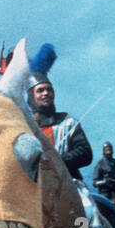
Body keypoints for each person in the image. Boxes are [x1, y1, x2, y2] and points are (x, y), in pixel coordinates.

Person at [27, 47, 93, 180]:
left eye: (49, 90)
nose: (46, 93)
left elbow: (85, 153)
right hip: (32, 186)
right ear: (31, 96)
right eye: (40, 90)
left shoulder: (68, 122)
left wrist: (59, 161)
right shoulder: (24, 125)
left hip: (69, 182)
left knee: (88, 201)